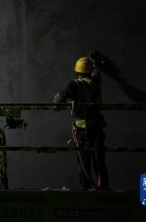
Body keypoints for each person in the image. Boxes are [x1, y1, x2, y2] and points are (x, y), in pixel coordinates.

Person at [53, 52, 110, 191]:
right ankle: (102, 188)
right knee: (99, 159)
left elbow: (61, 97)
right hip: (97, 127)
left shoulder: (75, 84)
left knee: (83, 160)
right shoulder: (95, 82)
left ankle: (85, 189)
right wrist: (95, 63)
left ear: (77, 72)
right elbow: (96, 73)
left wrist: (56, 105)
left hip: (82, 128)